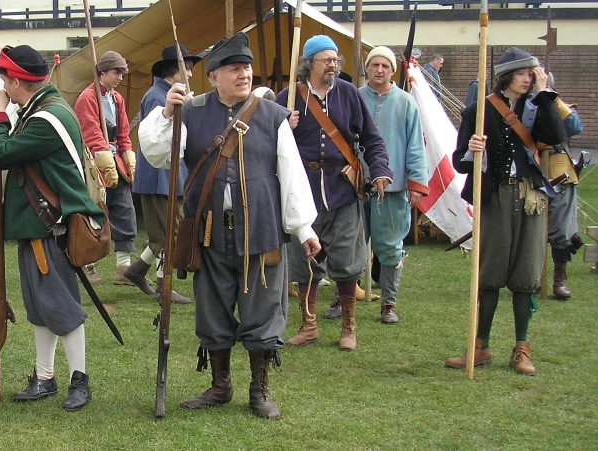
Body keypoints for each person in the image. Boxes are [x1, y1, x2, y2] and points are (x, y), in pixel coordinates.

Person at [140, 32, 321, 420]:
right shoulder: (191, 109)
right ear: (215, 76)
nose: (245, 74)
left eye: (247, 67)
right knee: (213, 308)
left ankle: (259, 389)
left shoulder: (272, 116)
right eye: (235, 68)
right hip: (207, 232)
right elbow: (157, 155)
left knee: (263, 308)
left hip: (261, 230)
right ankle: (220, 385)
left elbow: (291, 176)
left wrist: (304, 229)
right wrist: (168, 113)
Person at [0, 44, 104, 412]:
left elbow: (1, 153)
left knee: (61, 308)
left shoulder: (47, 118)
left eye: (4, 81)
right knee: (40, 308)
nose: (2, 88)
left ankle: (80, 380)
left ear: (16, 81)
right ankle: (44, 377)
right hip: (37, 226)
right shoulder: (38, 112)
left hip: (51, 226)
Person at [445, 47, 563, 375]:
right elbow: (458, 161)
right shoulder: (478, 111)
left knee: (526, 274)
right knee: (491, 273)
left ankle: (521, 349)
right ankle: (480, 347)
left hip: (531, 199)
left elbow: (556, 137)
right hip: (495, 196)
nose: (529, 78)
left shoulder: (538, 106)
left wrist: (545, 93)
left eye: (532, 73)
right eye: (525, 73)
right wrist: (471, 150)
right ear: (508, 75)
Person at [275, 35, 392, 352]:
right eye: (326, 59)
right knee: (304, 262)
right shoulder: (288, 97)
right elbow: (267, 138)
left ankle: (348, 327)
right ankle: (309, 325)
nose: (333, 65)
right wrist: (283, 126)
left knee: (347, 261)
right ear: (309, 64)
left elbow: (371, 138)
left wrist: (380, 170)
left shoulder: (349, 94)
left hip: (342, 189)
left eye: (335, 59)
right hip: (303, 190)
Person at [357, 46, 428, 324]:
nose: (379, 70)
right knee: (350, 245)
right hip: (356, 185)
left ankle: (388, 303)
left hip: (394, 186)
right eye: (374, 65)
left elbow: (415, 145)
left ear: (392, 70)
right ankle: (344, 296)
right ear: (367, 68)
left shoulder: (406, 103)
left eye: (384, 66)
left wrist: (415, 182)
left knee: (389, 246)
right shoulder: (355, 98)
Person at [126, 44, 202, 304]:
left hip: (167, 176)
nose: (190, 74)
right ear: (174, 71)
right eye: (187, 68)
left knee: (167, 232)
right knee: (171, 234)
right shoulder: (158, 97)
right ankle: (163, 286)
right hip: (160, 178)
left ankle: (137, 270)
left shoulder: (165, 93)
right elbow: (159, 140)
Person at [73, 51, 141, 288]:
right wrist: (105, 160)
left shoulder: (117, 99)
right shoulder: (87, 98)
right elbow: (91, 133)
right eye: (116, 72)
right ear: (102, 72)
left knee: (124, 210)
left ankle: (123, 268)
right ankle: (87, 266)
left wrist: (126, 156)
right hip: (94, 165)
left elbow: (123, 133)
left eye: (122, 72)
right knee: (93, 213)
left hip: (115, 162)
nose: (120, 77)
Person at [541, 77, 583, 300]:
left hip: (560, 174)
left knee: (561, 231)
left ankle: (559, 278)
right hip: (532, 172)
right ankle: (532, 277)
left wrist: (552, 99)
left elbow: (574, 127)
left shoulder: (560, 106)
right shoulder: (524, 106)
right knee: (531, 232)